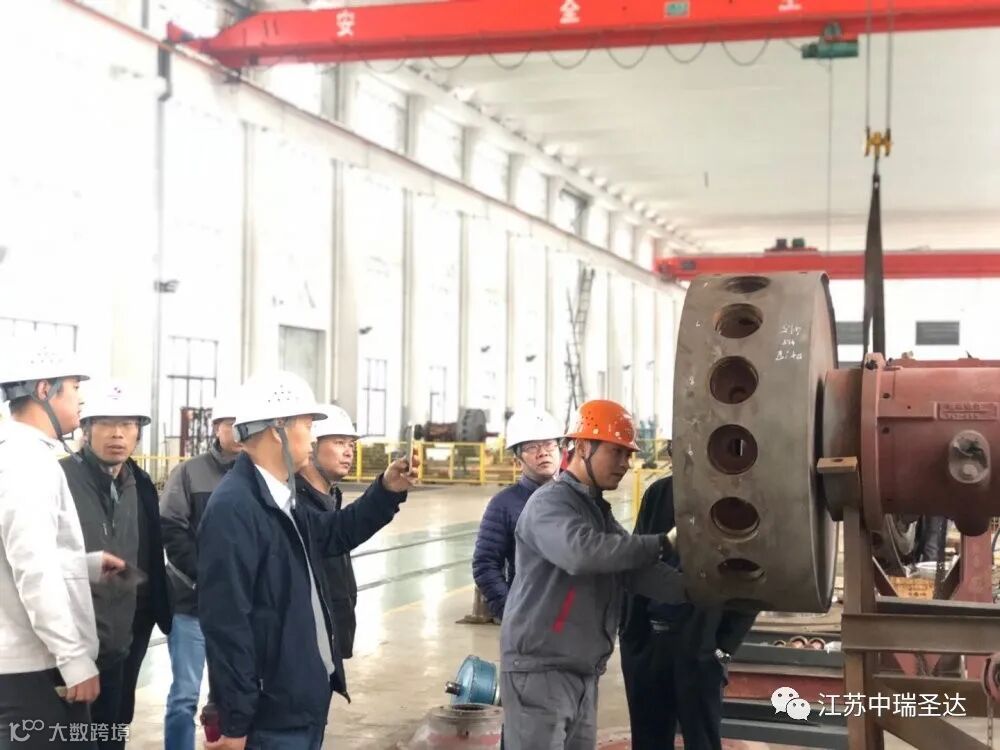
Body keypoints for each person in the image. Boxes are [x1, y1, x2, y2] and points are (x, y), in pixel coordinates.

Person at [198, 371, 419, 750]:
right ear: (277, 430)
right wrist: (235, 723)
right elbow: (227, 625)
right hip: (271, 714)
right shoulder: (235, 508)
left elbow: (334, 533)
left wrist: (386, 490)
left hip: (301, 698)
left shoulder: (281, 497)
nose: (313, 437)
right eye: (307, 424)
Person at [500, 399, 687, 750]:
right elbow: (582, 553)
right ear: (584, 447)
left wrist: (700, 589)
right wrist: (664, 543)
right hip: (540, 671)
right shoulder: (550, 504)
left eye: (628, 454)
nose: (625, 463)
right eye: (616, 452)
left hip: (582, 670)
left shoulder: (596, 511)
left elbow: (636, 571)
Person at [0, 347, 125, 750]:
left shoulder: (14, 453)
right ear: (44, 390)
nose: (80, 398)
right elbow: (32, 566)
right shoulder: (27, 462)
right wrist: (73, 658)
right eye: (73, 387)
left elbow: (17, 552)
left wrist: (83, 565)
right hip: (31, 670)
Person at [59, 381, 173, 750]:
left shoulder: (138, 482)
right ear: (86, 429)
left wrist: (152, 609)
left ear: (138, 432)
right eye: (106, 423)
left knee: (113, 728)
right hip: (68, 644)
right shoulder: (59, 479)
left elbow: (151, 550)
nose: (117, 433)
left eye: (127, 424)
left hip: (123, 637)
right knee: (67, 736)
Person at [619, 474, 758, 750]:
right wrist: (630, 633)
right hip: (648, 642)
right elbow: (637, 561)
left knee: (701, 739)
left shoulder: (738, 499)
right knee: (648, 739)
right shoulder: (659, 493)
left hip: (700, 648)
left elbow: (753, 576)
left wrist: (723, 646)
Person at [160, 392, 242, 750]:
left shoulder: (260, 475)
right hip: (191, 604)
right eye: (230, 423)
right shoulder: (189, 473)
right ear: (216, 426)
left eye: (243, 423)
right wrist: (205, 575)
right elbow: (170, 527)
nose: (237, 430)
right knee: (184, 696)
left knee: (235, 693)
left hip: (240, 608)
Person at [296, 404, 372, 662]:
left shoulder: (331, 499)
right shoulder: (296, 504)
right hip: (307, 644)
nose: (349, 452)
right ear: (312, 446)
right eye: (339, 443)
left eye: (351, 445)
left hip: (332, 640)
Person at [472, 408, 562, 621]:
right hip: (528, 619)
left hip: (574, 617)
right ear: (517, 458)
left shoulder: (578, 497)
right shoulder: (504, 504)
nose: (543, 452)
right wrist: (511, 612)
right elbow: (485, 564)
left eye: (549, 444)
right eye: (532, 447)